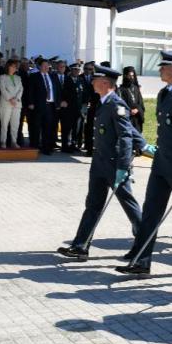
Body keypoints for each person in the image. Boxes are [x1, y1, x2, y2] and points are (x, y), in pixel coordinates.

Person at [116, 51, 172, 279]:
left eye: (163, 66)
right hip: (161, 164)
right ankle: (141, 260)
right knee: (150, 212)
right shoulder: (164, 93)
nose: (160, 70)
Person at [57, 64, 143, 260]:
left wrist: (123, 166)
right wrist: (143, 142)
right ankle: (80, 245)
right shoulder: (104, 102)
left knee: (128, 204)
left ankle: (143, 243)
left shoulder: (116, 104)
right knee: (93, 204)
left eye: (95, 79)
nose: (92, 82)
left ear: (105, 83)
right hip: (99, 164)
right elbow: (129, 130)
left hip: (114, 164)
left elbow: (125, 135)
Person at [28, 57, 60, 155]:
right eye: (44, 65)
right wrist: (30, 103)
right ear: (39, 67)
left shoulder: (53, 76)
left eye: (48, 65)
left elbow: (57, 90)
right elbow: (30, 91)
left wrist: (58, 103)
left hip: (50, 106)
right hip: (38, 106)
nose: (47, 67)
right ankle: (34, 147)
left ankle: (46, 148)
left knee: (48, 127)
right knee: (36, 127)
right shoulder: (34, 76)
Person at [0, 59, 23, 148]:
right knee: (4, 123)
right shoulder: (2, 77)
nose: (14, 68)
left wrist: (16, 99)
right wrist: (10, 99)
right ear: (8, 67)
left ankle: (14, 141)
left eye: (15, 67)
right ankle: (3, 141)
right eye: (12, 66)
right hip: (6, 103)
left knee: (15, 124)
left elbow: (21, 89)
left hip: (17, 104)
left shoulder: (18, 78)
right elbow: (2, 89)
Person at [53, 60, 74, 152]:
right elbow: (51, 92)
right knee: (53, 126)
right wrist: (58, 103)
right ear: (57, 67)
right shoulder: (52, 77)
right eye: (60, 66)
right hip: (55, 106)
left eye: (64, 67)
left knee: (65, 127)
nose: (62, 68)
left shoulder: (68, 78)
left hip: (66, 107)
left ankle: (65, 146)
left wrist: (66, 102)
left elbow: (72, 93)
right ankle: (51, 144)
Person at [118, 66, 145, 134]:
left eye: (132, 76)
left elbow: (141, 103)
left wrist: (138, 109)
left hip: (137, 119)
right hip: (128, 119)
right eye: (129, 76)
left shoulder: (136, 88)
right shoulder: (121, 90)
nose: (131, 78)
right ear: (125, 76)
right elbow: (120, 106)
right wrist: (130, 111)